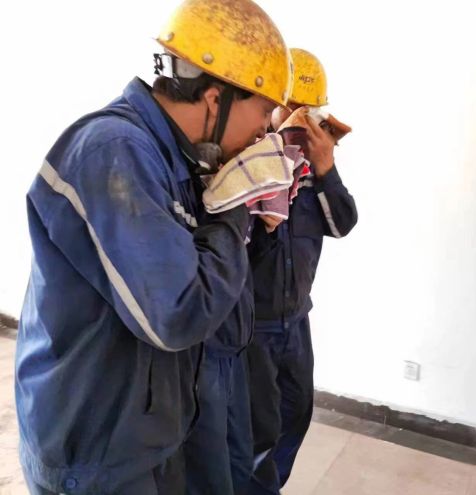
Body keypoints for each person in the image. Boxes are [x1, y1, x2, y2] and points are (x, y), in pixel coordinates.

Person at [14, 0, 291, 493]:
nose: (265, 130)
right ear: (215, 98)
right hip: (96, 452)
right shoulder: (113, 150)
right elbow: (178, 314)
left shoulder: (179, 159)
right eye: (264, 109)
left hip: (144, 431)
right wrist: (233, 206)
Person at [246, 48, 358, 495]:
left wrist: (326, 169)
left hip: (296, 320)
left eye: (307, 111)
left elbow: (342, 224)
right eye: (290, 108)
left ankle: (269, 487)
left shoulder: (314, 171)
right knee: (256, 428)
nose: (298, 119)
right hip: (252, 326)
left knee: (296, 413)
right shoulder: (248, 164)